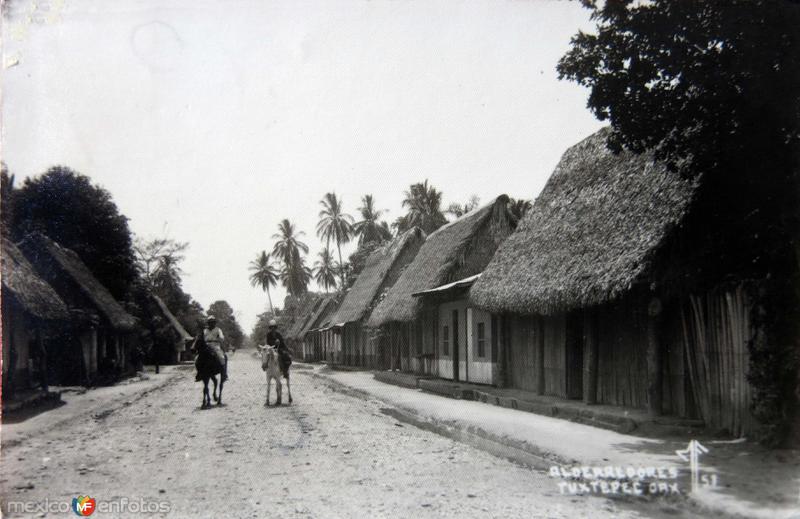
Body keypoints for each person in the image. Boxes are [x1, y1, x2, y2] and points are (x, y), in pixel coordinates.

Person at [203, 315, 228, 382]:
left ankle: (224, 374)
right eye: (210, 322)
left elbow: (222, 338)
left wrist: (219, 337)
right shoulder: (205, 330)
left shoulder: (218, 330)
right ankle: (199, 373)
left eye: (212, 322)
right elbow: (202, 338)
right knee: (198, 357)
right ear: (208, 323)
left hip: (215, 345)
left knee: (222, 357)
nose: (211, 324)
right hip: (206, 345)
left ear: (215, 323)